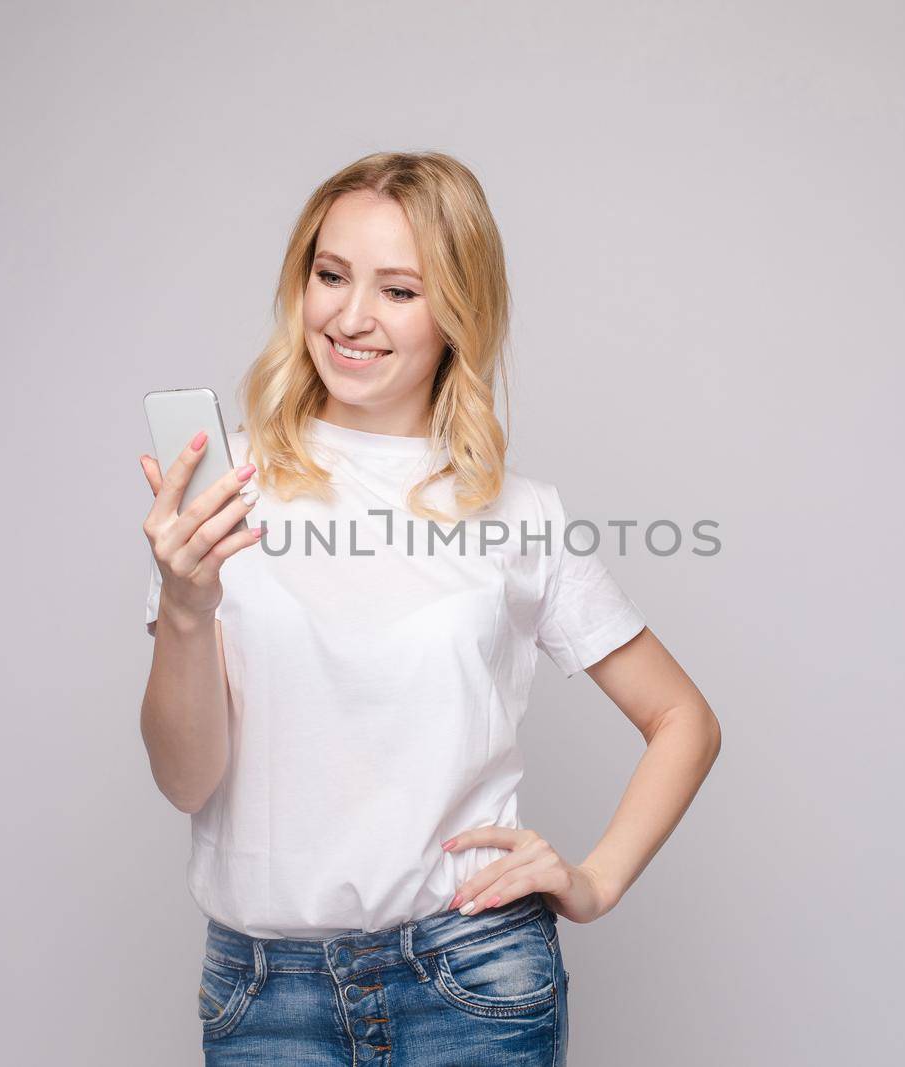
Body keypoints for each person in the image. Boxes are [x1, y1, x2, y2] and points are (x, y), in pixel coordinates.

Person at [136, 151, 721, 1065]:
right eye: (330, 276)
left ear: (458, 310)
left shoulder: (519, 513)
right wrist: (184, 604)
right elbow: (186, 781)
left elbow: (684, 718)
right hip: (265, 1001)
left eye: (399, 290)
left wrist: (593, 880)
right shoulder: (223, 496)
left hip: (473, 984)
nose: (351, 316)